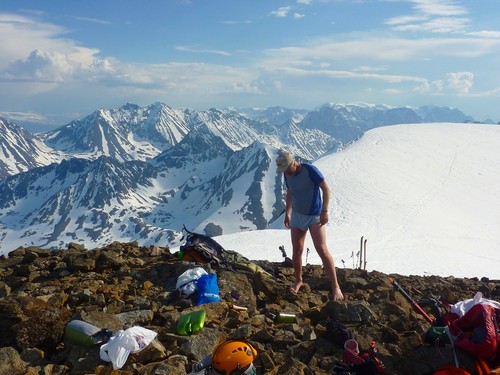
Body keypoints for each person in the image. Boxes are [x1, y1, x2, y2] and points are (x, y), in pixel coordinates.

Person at [275, 151, 344, 301]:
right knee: (297, 249)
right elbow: (290, 192)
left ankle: (335, 286)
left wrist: (325, 211)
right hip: (298, 215)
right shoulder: (287, 174)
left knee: (322, 249)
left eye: (286, 169)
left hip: (314, 215)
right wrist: (288, 212)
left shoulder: (310, 170)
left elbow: (325, 188)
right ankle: (298, 280)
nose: (285, 173)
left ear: (293, 163)